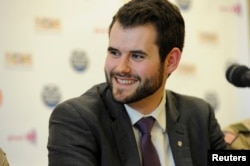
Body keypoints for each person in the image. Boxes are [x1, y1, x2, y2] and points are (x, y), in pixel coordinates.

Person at [47, 0, 227, 165]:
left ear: (171, 61)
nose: (121, 68)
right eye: (115, 53)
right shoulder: (76, 120)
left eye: (137, 56)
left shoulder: (199, 115)